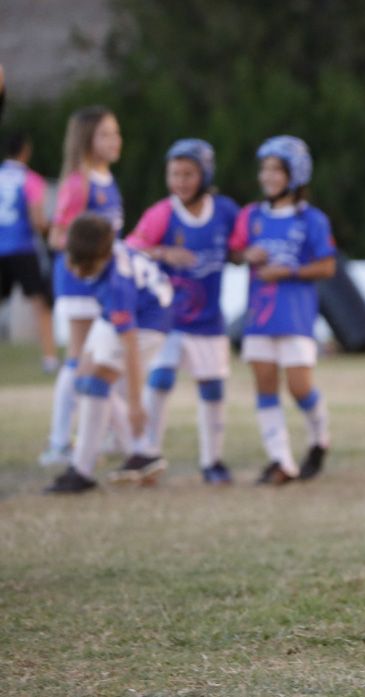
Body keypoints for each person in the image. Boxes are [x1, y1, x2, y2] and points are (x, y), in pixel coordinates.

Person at [124, 139, 241, 485]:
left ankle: (212, 461)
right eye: (174, 173)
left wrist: (248, 255)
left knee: (213, 389)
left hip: (208, 320)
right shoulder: (162, 213)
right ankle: (147, 454)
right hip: (168, 319)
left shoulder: (225, 211)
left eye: (188, 173)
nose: (180, 181)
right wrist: (162, 253)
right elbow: (131, 249)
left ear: (205, 174)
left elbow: (238, 246)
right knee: (160, 380)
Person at [230, 136, 336, 485]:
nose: (268, 176)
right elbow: (234, 252)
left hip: (295, 316)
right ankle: (282, 461)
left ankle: (320, 439)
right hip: (259, 317)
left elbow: (327, 267)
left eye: (276, 169)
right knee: (264, 386)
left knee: (299, 387)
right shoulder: (251, 216)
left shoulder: (313, 220)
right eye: (265, 169)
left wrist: (287, 271)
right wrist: (247, 256)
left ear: (295, 174)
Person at [44, 213, 173, 493]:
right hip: (130, 311)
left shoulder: (118, 285)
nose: (77, 271)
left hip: (150, 322)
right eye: (73, 261)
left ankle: (82, 470)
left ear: (102, 258)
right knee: (82, 375)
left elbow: (130, 349)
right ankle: (142, 453)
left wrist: (137, 403)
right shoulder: (102, 252)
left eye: (85, 265)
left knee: (96, 383)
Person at [39, 106, 130, 468]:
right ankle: (59, 441)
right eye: (106, 134)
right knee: (79, 360)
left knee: (106, 358)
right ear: (86, 139)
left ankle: (105, 431)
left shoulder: (107, 178)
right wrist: (93, 250)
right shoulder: (79, 181)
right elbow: (59, 236)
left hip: (105, 284)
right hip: (79, 283)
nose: (115, 140)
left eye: (116, 133)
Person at [0, 131, 58, 371]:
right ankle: (50, 359)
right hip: (23, 248)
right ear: (25, 151)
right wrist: (55, 227)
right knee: (40, 303)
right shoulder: (31, 179)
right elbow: (37, 221)